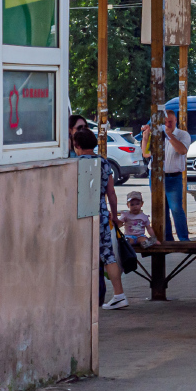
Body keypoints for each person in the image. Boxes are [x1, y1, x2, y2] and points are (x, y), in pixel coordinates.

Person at [72, 129, 127, 309]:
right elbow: (111, 193)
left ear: (77, 145)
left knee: (80, 255)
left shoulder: (74, 164)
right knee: (108, 255)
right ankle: (119, 295)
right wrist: (114, 215)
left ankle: (81, 297)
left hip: (79, 215)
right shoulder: (104, 162)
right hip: (101, 214)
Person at [141, 110, 191, 241]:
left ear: (175, 121)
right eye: (165, 122)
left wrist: (170, 136)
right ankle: (167, 239)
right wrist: (146, 136)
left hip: (174, 176)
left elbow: (182, 150)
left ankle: (184, 239)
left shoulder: (183, 134)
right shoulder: (157, 134)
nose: (168, 124)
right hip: (156, 176)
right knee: (161, 209)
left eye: (170, 121)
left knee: (176, 209)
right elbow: (146, 153)